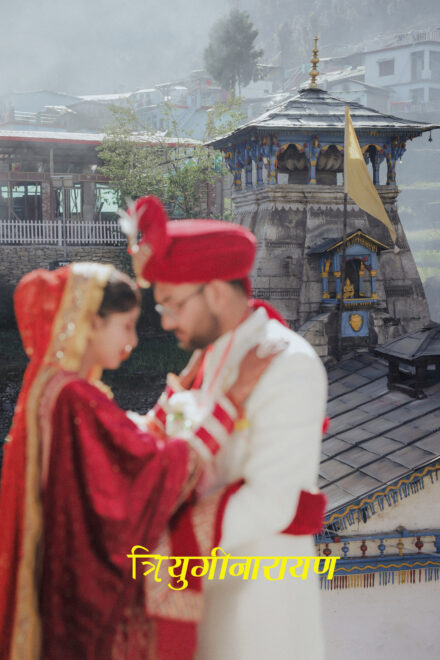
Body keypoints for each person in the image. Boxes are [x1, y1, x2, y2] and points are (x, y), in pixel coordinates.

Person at [0, 262, 277, 660]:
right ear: (91, 323)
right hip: (79, 583)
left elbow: (122, 445)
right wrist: (231, 401)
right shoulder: (74, 397)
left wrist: (182, 384)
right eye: (126, 326)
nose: (133, 340)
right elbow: (143, 468)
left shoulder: (55, 385)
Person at [121, 196, 328, 660]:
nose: (166, 321)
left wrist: (160, 544)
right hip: (200, 591)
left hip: (256, 608)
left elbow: (270, 503)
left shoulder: (287, 362)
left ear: (215, 292)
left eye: (173, 305)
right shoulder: (209, 355)